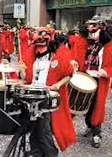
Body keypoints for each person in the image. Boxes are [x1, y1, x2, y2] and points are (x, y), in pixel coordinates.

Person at [22, 27, 76, 156]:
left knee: (42, 128)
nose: (38, 47)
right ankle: (36, 152)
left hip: (47, 97)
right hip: (33, 95)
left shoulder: (59, 54)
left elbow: (69, 74)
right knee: (33, 126)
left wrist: (57, 85)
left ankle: (50, 153)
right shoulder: (32, 54)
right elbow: (26, 76)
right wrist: (19, 69)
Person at [69, 15, 112, 148]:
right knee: (83, 103)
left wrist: (104, 72)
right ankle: (88, 125)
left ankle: (96, 132)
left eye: (94, 26)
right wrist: (74, 61)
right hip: (84, 76)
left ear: (102, 27)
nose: (90, 29)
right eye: (89, 26)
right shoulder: (83, 40)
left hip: (99, 79)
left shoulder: (111, 42)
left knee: (97, 105)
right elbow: (75, 55)